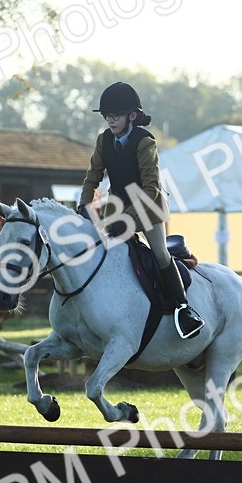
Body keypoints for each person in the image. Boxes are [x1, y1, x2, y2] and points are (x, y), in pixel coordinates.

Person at [78, 81, 204, 339]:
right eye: (107, 116)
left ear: (131, 116)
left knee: (159, 254)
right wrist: (83, 204)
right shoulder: (104, 140)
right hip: (117, 204)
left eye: (115, 116)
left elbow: (150, 188)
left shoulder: (145, 142)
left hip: (149, 206)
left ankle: (183, 309)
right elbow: (93, 176)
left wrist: (129, 221)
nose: (110, 120)